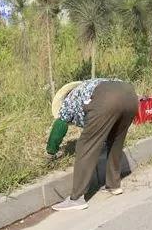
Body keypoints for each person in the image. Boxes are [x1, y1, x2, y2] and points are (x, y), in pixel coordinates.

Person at [46, 78, 138, 211]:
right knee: (115, 141)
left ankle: (76, 198)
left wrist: (51, 150)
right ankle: (113, 185)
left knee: (85, 146)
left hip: (107, 99)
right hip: (130, 95)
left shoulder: (68, 100)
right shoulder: (88, 88)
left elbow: (59, 127)